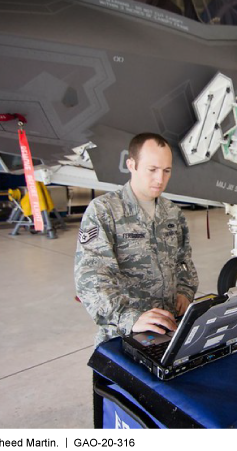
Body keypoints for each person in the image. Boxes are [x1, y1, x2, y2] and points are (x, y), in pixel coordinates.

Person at [75, 133, 199, 346]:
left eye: (166, 171)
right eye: (152, 170)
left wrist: (184, 292)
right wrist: (128, 317)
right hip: (125, 335)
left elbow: (184, 262)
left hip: (170, 328)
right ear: (131, 164)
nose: (160, 179)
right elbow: (91, 276)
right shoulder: (105, 211)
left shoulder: (172, 212)